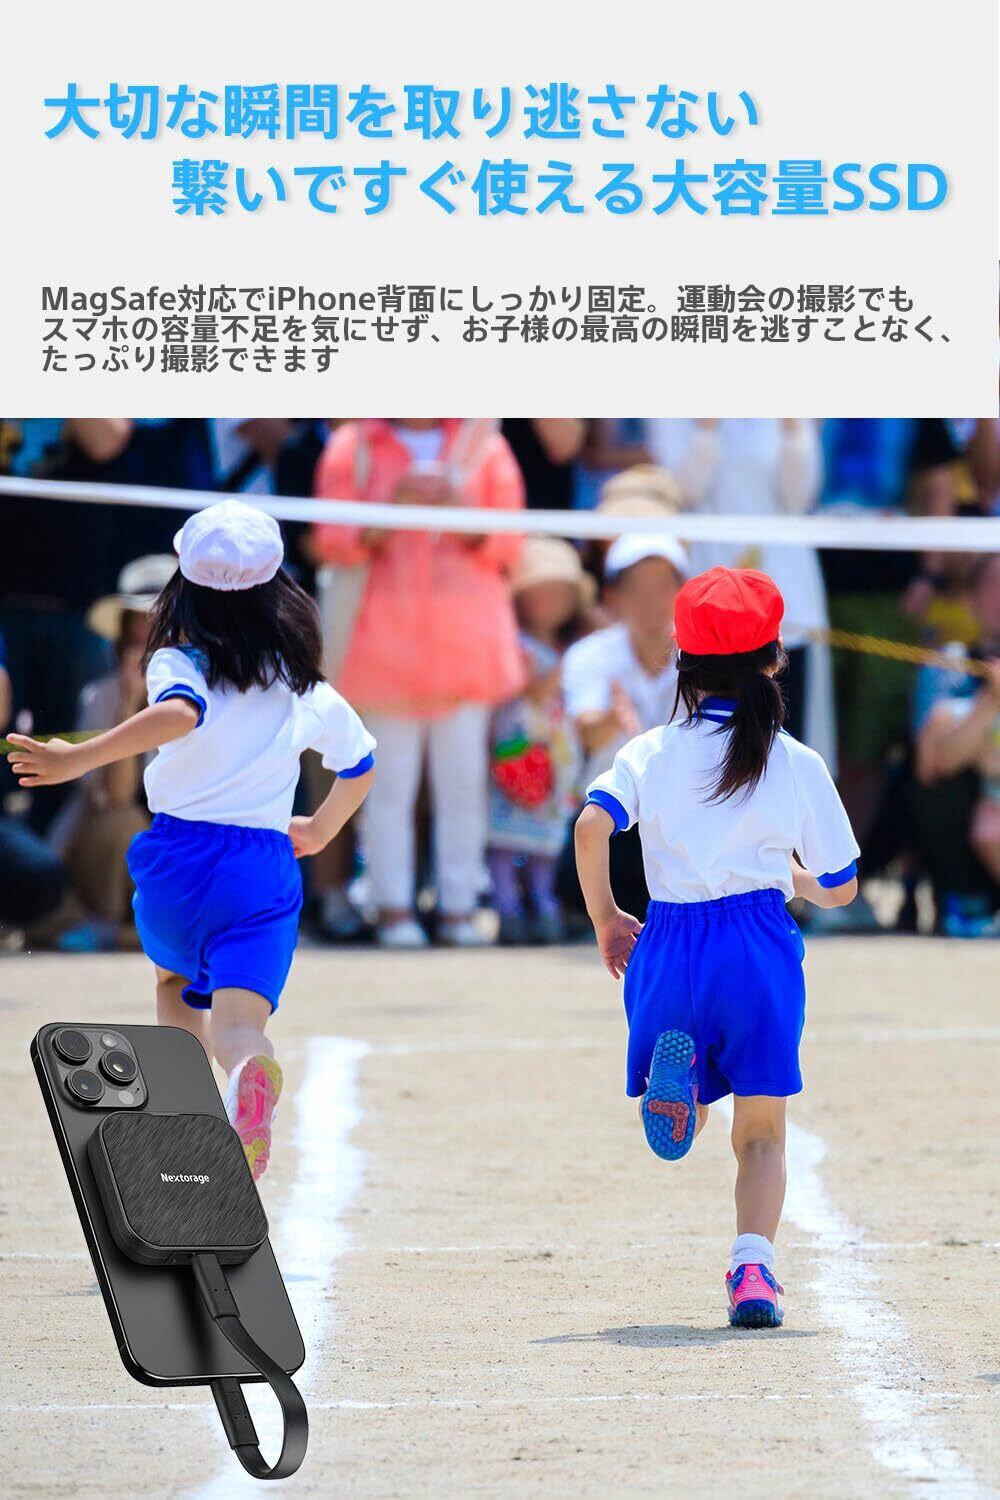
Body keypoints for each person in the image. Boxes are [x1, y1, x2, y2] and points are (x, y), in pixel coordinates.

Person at [6, 501, 375, 1180]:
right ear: (280, 591)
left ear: (183, 587)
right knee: (240, 1024)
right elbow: (359, 764)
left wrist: (77, 758)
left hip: (182, 857)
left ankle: (188, 1119)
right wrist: (321, 828)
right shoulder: (300, 682)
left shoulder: (177, 659)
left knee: (176, 982)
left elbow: (180, 713)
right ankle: (247, 1070)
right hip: (265, 864)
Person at [574, 567, 859, 1329]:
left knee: (692, 1090)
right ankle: (753, 1270)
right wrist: (790, 878)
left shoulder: (650, 751)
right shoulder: (795, 760)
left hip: (668, 939)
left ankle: (683, 1098)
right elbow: (841, 886)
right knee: (761, 1132)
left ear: (682, 659)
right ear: (775, 659)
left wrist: (606, 917)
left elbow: (592, 826)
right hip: (756, 944)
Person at [312, 418, 524, 948]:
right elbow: (332, 541)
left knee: (463, 785)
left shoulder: (485, 445)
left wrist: (459, 508)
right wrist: (393, 505)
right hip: (382, 643)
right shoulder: (353, 444)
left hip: (466, 643)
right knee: (388, 787)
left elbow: (510, 542)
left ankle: (458, 910)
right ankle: (392, 909)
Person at [558, 533, 688, 921]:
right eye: (636, 587)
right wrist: (613, 718)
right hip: (611, 819)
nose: (651, 599)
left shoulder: (706, 655)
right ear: (613, 595)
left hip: (685, 818)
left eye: (662, 585)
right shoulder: (590, 654)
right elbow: (587, 732)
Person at [487, 537, 593, 944]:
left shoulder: (571, 647)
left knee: (546, 837)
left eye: (560, 593)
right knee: (504, 832)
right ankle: (507, 907)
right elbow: (528, 693)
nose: (550, 603)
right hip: (516, 749)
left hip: (556, 753)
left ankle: (543, 902)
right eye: (540, 593)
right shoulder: (514, 645)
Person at [913, 553, 1000, 934]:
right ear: (971, 600)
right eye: (992, 587)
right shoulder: (949, 663)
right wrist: (991, 702)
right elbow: (932, 762)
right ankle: (967, 898)